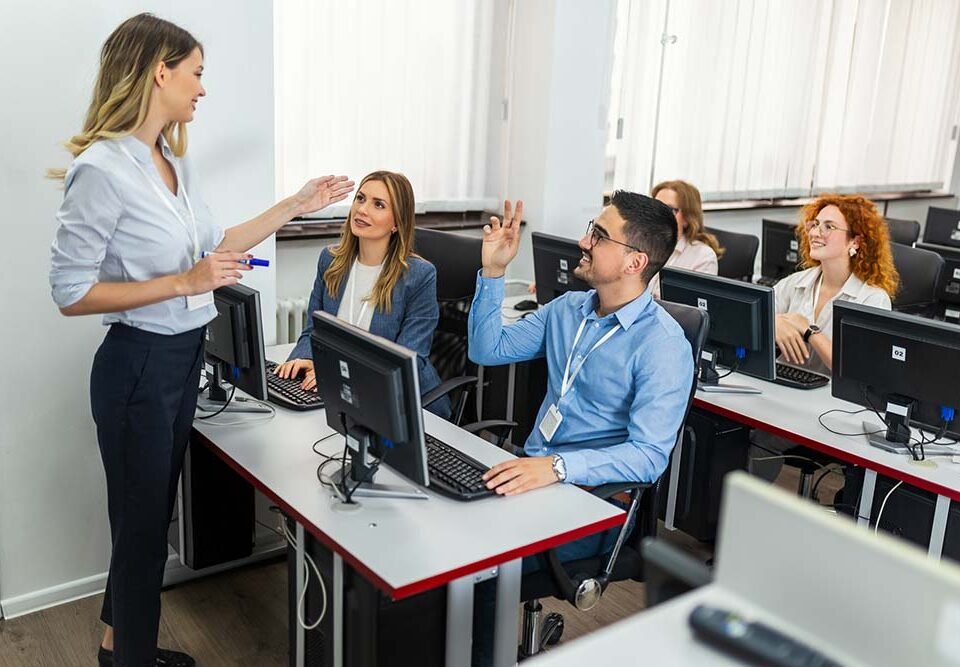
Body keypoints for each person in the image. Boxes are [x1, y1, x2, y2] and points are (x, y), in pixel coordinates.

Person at [48, 14, 353, 666]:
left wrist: (295, 203)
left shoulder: (169, 162)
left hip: (181, 358)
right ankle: (130, 658)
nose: (202, 89)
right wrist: (182, 280)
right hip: (138, 364)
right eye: (197, 73)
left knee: (148, 519)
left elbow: (214, 246)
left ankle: (116, 644)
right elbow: (71, 292)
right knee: (140, 530)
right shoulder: (102, 169)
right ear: (161, 70)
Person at [468, 193, 694, 663]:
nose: (582, 241)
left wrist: (556, 467)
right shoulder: (569, 308)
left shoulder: (663, 345)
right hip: (535, 477)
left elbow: (650, 456)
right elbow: (487, 350)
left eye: (598, 235)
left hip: (595, 502)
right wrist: (492, 272)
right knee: (450, 536)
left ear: (635, 261)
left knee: (476, 571)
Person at [273, 171, 450, 418]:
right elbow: (313, 329)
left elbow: (409, 361)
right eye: (361, 199)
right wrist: (306, 358)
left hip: (405, 407)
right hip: (344, 394)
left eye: (378, 204)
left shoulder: (419, 276)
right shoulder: (331, 261)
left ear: (397, 222)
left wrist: (336, 376)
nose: (363, 210)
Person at [774, 194, 898, 375]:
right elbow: (752, 319)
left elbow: (856, 368)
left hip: (833, 399)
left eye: (829, 227)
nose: (815, 233)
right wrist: (774, 322)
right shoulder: (796, 282)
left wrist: (809, 331)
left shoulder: (873, 299)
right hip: (783, 385)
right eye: (815, 224)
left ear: (855, 241)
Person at [647, 179, 723, 298]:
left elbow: (692, 311)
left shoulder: (703, 257)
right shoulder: (640, 244)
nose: (658, 216)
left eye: (668, 210)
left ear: (688, 217)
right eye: (655, 208)